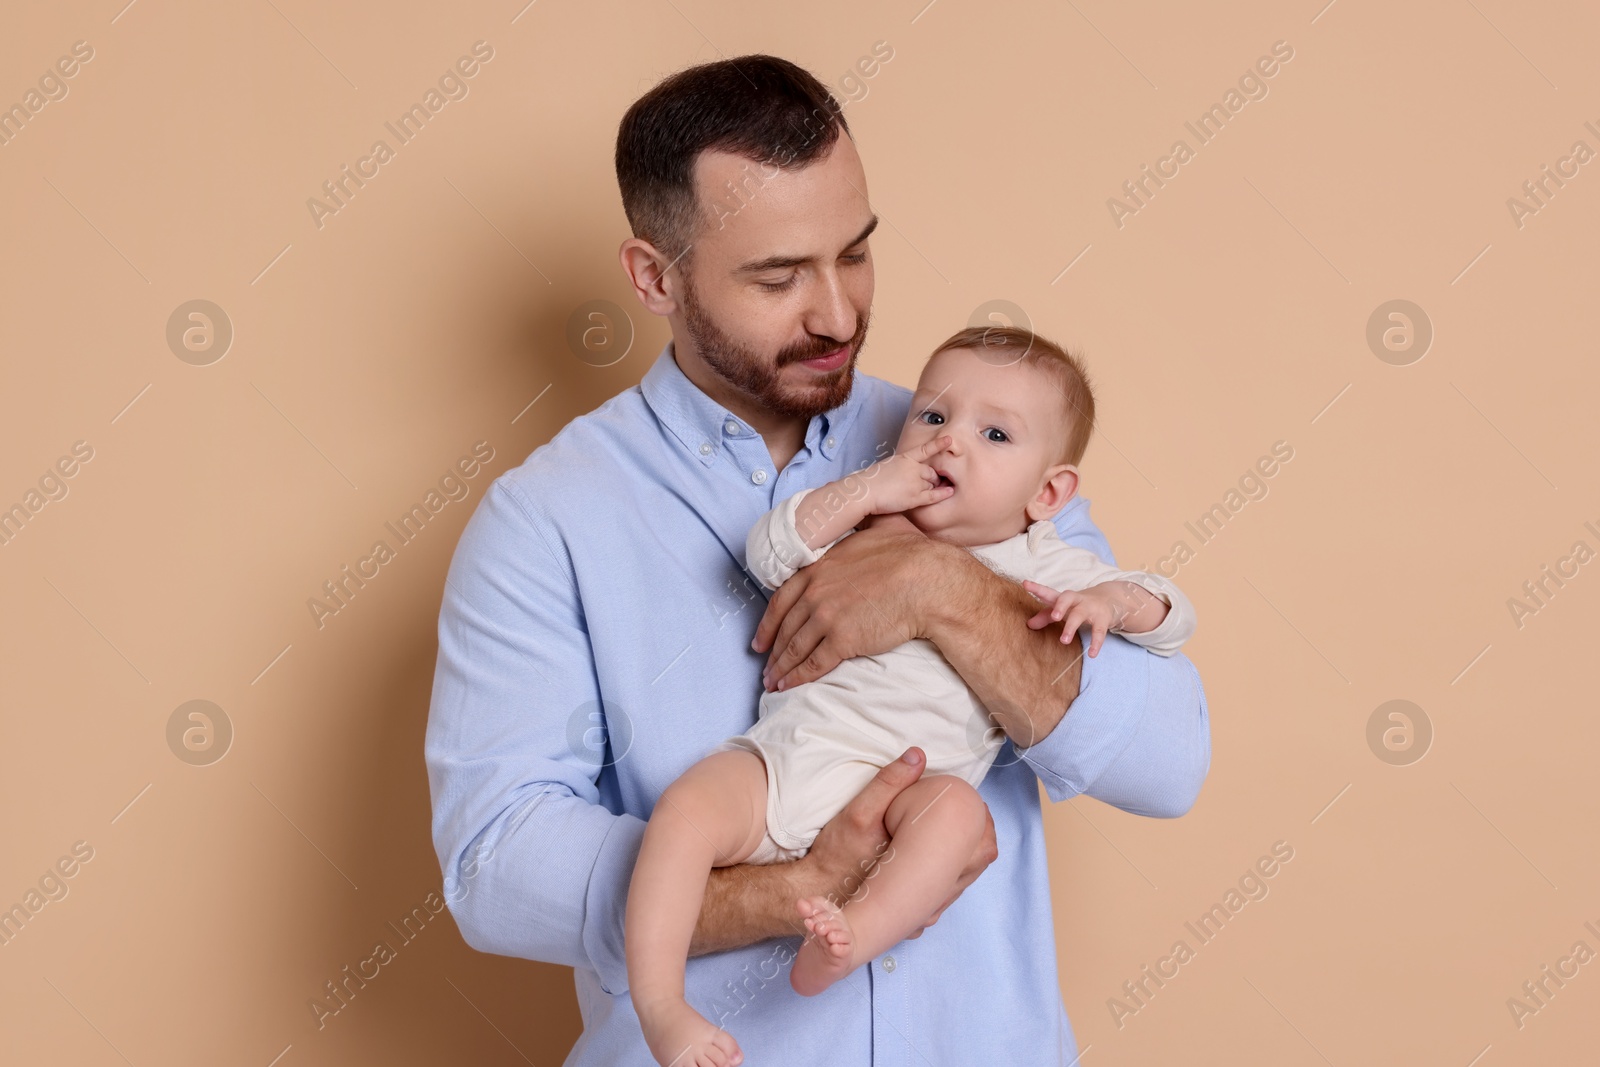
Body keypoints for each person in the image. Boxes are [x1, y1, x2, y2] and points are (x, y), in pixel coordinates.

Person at [424, 54, 1211, 1067]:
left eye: (856, 254)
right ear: (653, 277)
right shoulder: (546, 521)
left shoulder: (970, 446)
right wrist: (800, 884)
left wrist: (947, 595)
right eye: (778, 275)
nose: (837, 314)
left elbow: (1168, 757)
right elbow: (496, 866)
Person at [625, 324, 1198, 1066]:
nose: (949, 442)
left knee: (958, 818)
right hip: (790, 762)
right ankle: (663, 1006)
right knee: (683, 815)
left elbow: (1172, 613)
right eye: (932, 416)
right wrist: (868, 486)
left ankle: (853, 936)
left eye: (993, 433)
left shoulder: (1049, 561)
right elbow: (768, 552)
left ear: (1048, 491)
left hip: (911, 789)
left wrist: (1115, 604)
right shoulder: (870, 518)